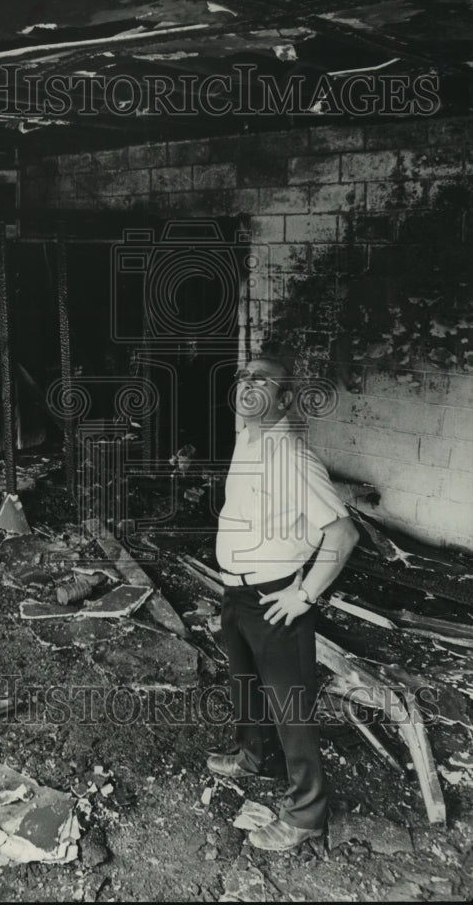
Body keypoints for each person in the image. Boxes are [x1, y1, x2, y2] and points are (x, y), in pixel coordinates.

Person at [209, 355, 358, 851]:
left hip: (275, 598)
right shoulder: (248, 443)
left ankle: (306, 812)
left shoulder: (291, 457)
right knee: (246, 685)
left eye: (262, 379)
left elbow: (342, 532)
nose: (247, 385)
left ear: (286, 397)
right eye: (242, 377)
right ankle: (254, 757)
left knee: (291, 707)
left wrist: (304, 594)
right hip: (237, 591)